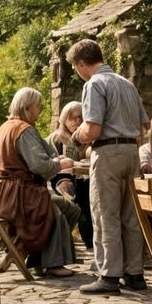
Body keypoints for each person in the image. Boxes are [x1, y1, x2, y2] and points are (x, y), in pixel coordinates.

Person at [69, 38, 147, 294]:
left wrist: (77, 135)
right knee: (131, 216)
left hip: (108, 152)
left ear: (82, 64)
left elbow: (93, 128)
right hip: (132, 151)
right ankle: (134, 273)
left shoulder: (95, 84)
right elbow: (142, 128)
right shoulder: (127, 84)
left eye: (76, 68)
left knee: (105, 214)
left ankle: (109, 275)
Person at [0, 88, 77, 278]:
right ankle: (52, 263)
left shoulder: (7, 126)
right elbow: (40, 165)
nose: (40, 110)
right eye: (38, 106)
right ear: (27, 107)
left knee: (72, 209)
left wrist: (54, 160)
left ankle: (40, 259)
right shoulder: (23, 129)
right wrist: (59, 164)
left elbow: (45, 154)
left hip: (6, 195)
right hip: (21, 195)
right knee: (58, 214)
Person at [48, 101, 94, 250]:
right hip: (60, 178)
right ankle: (84, 239)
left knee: (88, 189)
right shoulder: (56, 139)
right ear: (64, 119)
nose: (77, 121)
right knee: (76, 192)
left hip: (82, 177)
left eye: (81, 117)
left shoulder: (85, 138)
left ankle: (90, 240)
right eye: (73, 118)